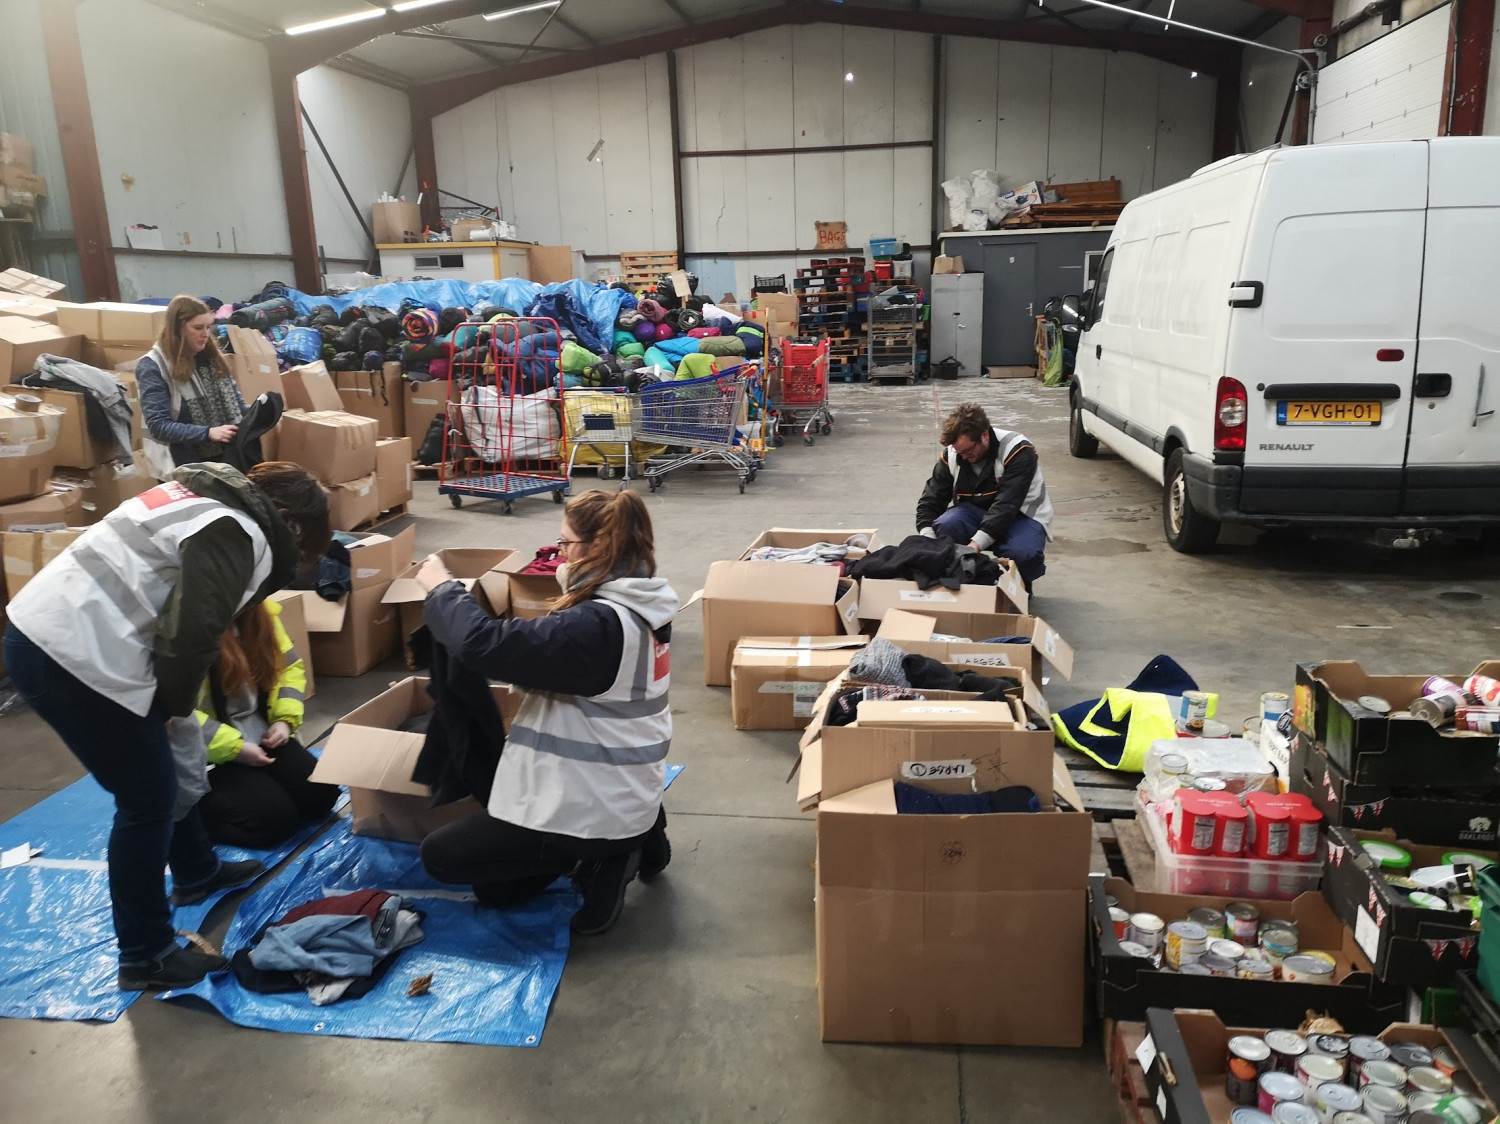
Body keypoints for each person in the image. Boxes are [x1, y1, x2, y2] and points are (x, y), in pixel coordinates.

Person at [2, 462, 331, 991]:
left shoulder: (197, 498)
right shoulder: (237, 531)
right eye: (301, 542)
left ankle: (197, 871)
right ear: (286, 520)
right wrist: (173, 709)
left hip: (64, 637)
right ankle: (146, 954)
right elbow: (189, 637)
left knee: (166, 770)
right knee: (146, 801)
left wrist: (173, 715)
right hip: (73, 655)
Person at [414, 489, 676, 936]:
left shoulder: (592, 628)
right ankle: (635, 836)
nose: (559, 555)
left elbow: (482, 644)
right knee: (496, 891)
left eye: (565, 544)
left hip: (591, 808)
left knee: (442, 857)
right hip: (626, 789)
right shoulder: (643, 607)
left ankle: (604, 855)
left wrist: (442, 590)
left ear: (596, 548)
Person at [194, 600, 339, 850]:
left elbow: (289, 668)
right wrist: (235, 748)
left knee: (321, 797)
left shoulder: (261, 614)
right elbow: (176, 715)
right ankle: (192, 821)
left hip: (261, 733)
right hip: (207, 754)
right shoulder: (186, 634)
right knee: (275, 823)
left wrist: (284, 720)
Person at [915, 402, 1054, 588]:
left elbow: (1006, 506)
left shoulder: (1018, 451)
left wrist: (974, 547)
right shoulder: (953, 454)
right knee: (946, 525)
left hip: (1021, 515)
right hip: (976, 512)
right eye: (959, 452)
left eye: (969, 451)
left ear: (984, 435)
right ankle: (964, 578)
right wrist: (928, 540)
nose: (963, 457)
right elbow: (932, 498)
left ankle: (1019, 587)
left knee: (1023, 552)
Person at [137, 295, 247, 470]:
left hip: (227, 459)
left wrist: (260, 413)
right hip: (183, 466)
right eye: (198, 328)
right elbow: (158, 425)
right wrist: (208, 433)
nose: (205, 335)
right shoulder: (153, 366)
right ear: (178, 329)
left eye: (208, 327)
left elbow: (238, 405)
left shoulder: (212, 358)